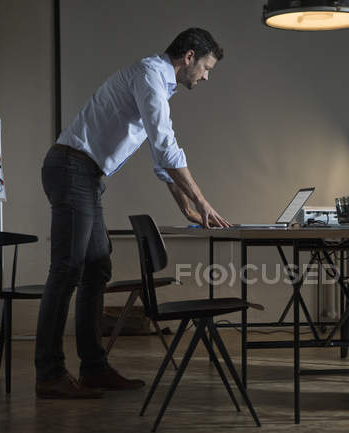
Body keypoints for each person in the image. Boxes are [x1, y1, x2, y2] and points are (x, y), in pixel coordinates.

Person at [35, 28, 231, 399]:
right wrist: (202, 202)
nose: (206, 76)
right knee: (67, 269)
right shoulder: (149, 76)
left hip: (85, 173)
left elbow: (160, 153)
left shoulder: (156, 83)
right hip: (71, 168)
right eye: (206, 67)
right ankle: (49, 374)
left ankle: (93, 368)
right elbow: (165, 143)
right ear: (189, 57)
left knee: (96, 268)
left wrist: (182, 201)